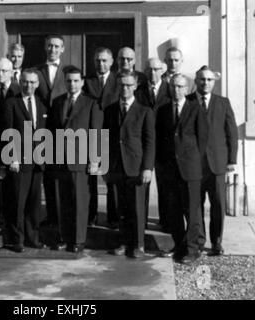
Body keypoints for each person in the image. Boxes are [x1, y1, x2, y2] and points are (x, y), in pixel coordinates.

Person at [48, 66, 103, 253]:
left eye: (75, 81)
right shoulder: (57, 102)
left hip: (81, 160)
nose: (72, 84)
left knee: (79, 201)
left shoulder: (91, 103)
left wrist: (95, 160)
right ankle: (65, 237)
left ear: (81, 82)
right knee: (63, 202)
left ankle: (79, 240)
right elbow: (51, 132)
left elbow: (96, 132)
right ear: (65, 81)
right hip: (60, 160)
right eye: (69, 80)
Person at [156, 74, 208, 264]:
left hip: (190, 168)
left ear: (187, 89)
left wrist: (192, 160)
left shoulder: (196, 109)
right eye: (173, 87)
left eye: (180, 87)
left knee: (192, 210)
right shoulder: (162, 110)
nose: (176, 90)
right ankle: (179, 245)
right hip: (170, 169)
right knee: (174, 210)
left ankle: (193, 249)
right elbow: (161, 138)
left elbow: (202, 139)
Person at [187, 66, 238, 256]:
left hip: (217, 164)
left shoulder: (223, 103)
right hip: (195, 166)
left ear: (214, 82)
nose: (205, 83)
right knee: (196, 205)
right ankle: (199, 241)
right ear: (196, 81)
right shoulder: (188, 102)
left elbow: (231, 132)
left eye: (209, 80)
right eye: (202, 79)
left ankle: (216, 242)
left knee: (218, 204)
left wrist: (231, 160)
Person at [104, 71, 155, 258]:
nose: (125, 89)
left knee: (137, 208)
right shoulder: (110, 110)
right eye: (122, 85)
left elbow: (150, 141)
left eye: (128, 85)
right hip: (117, 166)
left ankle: (139, 245)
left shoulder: (144, 111)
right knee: (121, 207)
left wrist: (147, 167)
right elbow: (105, 139)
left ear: (135, 86)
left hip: (136, 167)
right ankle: (124, 242)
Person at [2, 68, 48, 253]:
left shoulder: (41, 104)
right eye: (25, 81)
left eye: (32, 82)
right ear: (20, 82)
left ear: (37, 84)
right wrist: (11, 157)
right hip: (19, 162)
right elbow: (7, 132)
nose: (28, 85)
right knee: (18, 203)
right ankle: (17, 239)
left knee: (34, 203)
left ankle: (32, 238)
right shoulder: (11, 103)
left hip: (37, 162)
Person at [35, 35, 68, 229]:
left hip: (62, 130)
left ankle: (64, 217)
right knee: (47, 176)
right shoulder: (36, 71)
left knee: (63, 175)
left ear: (62, 49)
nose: (52, 50)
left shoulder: (68, 72)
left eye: (56, 46)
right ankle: (51, 216)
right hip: (42, 131)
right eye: (49, 46)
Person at [135, 58, 172, 231]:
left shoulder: (170, 90)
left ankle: (166, 221)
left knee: (165, 184)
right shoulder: (138, 91)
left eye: (156, 69)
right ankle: (140, 222)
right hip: (144, 144)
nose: (152, 73)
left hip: (164, 144)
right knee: (142, 184)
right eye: (149, 69)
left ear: (162, 71)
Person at [0, 57, 21, 238]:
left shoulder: (18, 90)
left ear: (11, 72)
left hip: (13, 146)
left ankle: (12, 230)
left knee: (12, 193)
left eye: (4, 71)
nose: (0, 74)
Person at [84, 47, 119, 227]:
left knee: (111, 177)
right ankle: (91, 215)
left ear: (112, 62)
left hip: (112, 136)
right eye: (98, 60)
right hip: (92, 133)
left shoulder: (119, 81)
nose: (101, 63)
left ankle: (113, 217)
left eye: (105, 60)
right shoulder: (87, 81)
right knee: (90, 177)